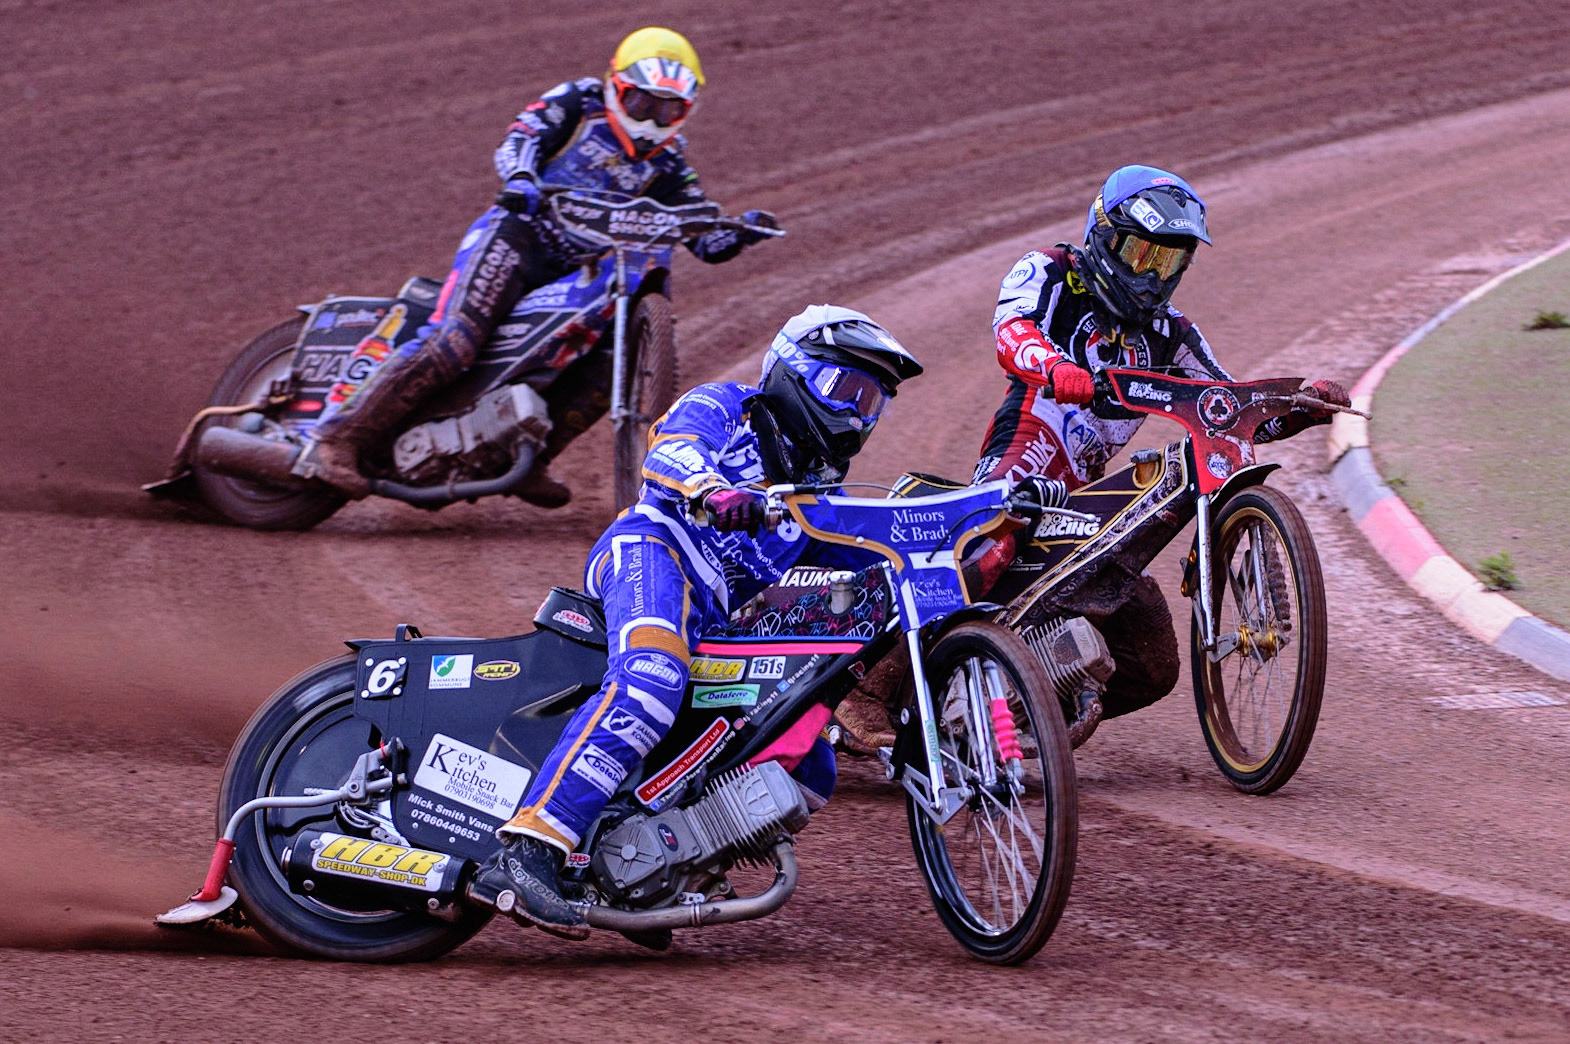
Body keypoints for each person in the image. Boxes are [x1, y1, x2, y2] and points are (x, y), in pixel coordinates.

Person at [466, 304, 924, 938]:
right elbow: (670, 450)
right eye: (844, 390)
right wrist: (712, 491)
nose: (856, 415)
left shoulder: (822, 493)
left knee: (807, 762)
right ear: (795, 373)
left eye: (873, 403)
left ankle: (650, 866)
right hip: (653, 553)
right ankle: (528, 848)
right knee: (652, 676)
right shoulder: (726, 407)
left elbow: (865, 562)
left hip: (710, 619)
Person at [295, 27, 777, 503]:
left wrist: (738, 232)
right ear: (615, 85)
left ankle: (529, 459)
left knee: (607, 362)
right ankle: (336, 438)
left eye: (669, 109)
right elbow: (520, 139)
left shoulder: (669, 162)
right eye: (642, 103)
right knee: (455, 342)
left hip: (582, 270)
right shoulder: (577, 102)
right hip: (518, 237)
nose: (653, 120)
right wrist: (522, 175)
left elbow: (702, 237)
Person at [970, 164, 1348, 719]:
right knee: (993, 538)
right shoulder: (1049, 271)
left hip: (1085, 499)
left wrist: (1296, 408)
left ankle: (1025, 713)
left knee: (1151, 663)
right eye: (1143, 256)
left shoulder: (1172, 332)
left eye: (1169, 262)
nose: (1152, 277)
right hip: (1027, 453)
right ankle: (878, 683)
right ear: (1104, 235)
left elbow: (1226, 409)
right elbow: (1011, 329)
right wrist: (1055, 368)